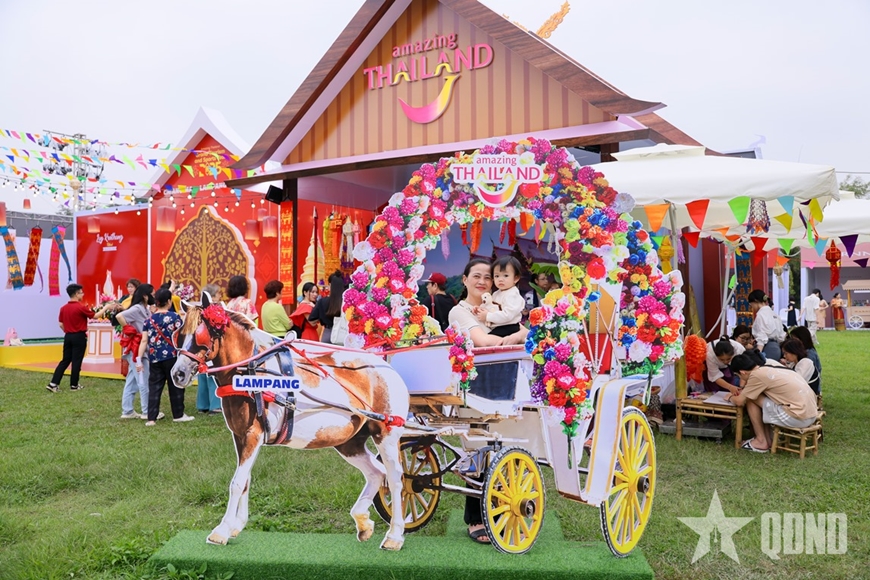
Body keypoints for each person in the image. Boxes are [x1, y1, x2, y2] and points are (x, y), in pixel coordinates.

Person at [447, 258, 528, 544]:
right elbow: (483, 342)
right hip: (474, 388)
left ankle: (504, 512)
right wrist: (519, 336)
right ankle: (476, 518)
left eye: (488, 277)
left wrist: (519, 333)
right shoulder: (459, 311)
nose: (483, 281)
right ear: (465, 279)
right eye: (477, 276)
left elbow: (521, 329)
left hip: (505, 383)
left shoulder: (498, 306)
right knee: (479, 453)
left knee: (504, 451)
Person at [727, 350, 818, 453]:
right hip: (811, 414)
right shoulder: (771, 367)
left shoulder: (756, 375)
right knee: (756, 395)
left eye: (738, 376)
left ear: (742, 372)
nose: (741, 379)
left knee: (750, 398)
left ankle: (761, 441)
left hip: (798, 417)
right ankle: (768, 439)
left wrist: (730, 397)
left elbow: (739, 401)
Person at [136, 288, 192, 426]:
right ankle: (178, 415)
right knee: (176, 385)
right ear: (168, 301)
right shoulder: (175, 317)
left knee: (154, 387)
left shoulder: (149, 320)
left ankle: (151, 418)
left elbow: (144, 341)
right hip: (172, 357)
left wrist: (139, 358)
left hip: (154, 357)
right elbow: (182, 336)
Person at [46, 284, 109, 392]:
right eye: (81, 292)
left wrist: (68, 331)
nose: (82, 294)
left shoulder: (63, 308)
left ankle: (53, 383)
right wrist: (106, 307)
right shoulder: (80, 307)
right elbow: (95, 316)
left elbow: (61, 324)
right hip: (79, 337)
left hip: (68, 336)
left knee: (65, 360)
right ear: (76, 294)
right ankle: (74, 385)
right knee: (76, 361)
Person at [117, 283, 162, 420]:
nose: (154, 297)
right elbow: (120, 316)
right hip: (136, 348)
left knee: (132, 380)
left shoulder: (145, 309)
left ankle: (127, 410)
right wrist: (129, 329)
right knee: (143, 379)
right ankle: (147, 411)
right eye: (152, 294)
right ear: (145, 296)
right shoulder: (137, 308)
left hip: (140, 347)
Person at [476, 256, 525, 338]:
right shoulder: (496, 293)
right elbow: (490, 306)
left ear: (516, 278)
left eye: (505, 275)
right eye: (497, 276)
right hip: (498, 325)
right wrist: (480, 309)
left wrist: (488, 316)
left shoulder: (512, 295)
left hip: (509, 327)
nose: (500, 279)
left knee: (489, 339)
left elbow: (508, 315)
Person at [196, 283, 223, 414]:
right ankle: (215, 405)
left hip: (200, 345)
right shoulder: (215, 310)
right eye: (218, 294)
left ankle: (203, 405)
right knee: (213, 374)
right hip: (212, 345)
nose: (220, 296)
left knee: (202, 373)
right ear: (212, 296)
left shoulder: (198, 310)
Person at [747, 289, 785, 361]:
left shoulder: (761, 315)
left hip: (767, 348)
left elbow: (762, 337)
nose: (752, 307)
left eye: (751, 305)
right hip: (777, 348)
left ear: (755, 301)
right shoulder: (774, 314)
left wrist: (758, 354)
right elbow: (782, 336)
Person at [309, 271, 345, 344]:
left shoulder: (322, 301)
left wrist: (322, 316)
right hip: (342, 334)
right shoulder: (346, 303)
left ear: (330, 285)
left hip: (327, 333)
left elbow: (311, 320)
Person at [788, 326, 822, 393]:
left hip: (810, 390)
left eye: (794, 339)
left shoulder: (809, 356)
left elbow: (800, 377)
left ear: (802, 340)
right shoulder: (805, 352)